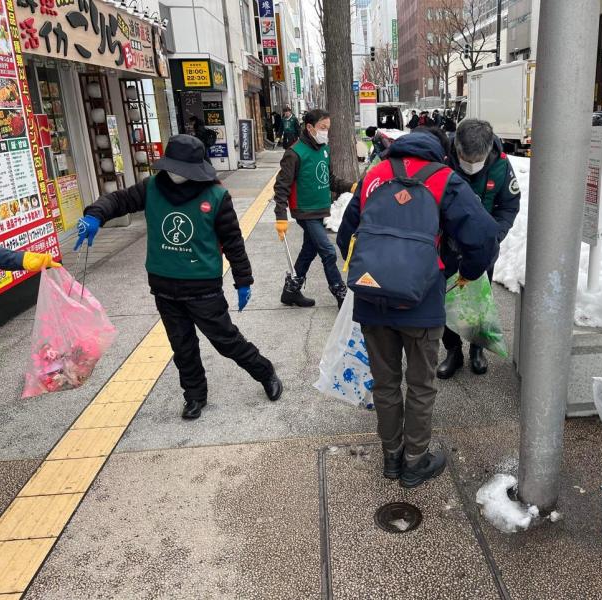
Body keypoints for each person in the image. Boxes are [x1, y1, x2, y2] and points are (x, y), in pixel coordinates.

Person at [74, 134, 282, 420]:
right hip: (164, 287)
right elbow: (118, 200)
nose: (174, 174)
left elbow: (233, 240)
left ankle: (265, 372)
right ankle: (195, 396)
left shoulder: (216, 195)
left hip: (203, 289)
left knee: (226, 341)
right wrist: (95, 215)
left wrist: (243, 280)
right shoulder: (151, 188)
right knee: (182, 347)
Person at [336, 127, 499, 488]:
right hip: (421, 303)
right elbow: (485, 237)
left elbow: (345, 235)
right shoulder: (445, 180)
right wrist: (464, 273)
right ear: (442, 151)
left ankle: (391, 458)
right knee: (421, 385)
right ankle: (415, 461)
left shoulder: (375, 174)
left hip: (372, 300)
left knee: (386, 383)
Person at [437, 119, 520, 379]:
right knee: (446, 298)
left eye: (477, 159)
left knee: (479, 299)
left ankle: (477, 348)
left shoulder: (501, 165)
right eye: (465, 158)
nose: (471, 165)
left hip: (483, 249)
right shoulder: (442, 160)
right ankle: (453, 351)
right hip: (447, 248)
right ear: (456, 148)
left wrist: (494, 235)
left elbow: (508, 205)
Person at [274, 109, 356, 308]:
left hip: (320, 209)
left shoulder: (324, 149)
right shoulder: (294, 153)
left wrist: (350, 186)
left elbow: (328, 179)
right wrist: (281, 216)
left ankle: (291, 291)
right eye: (322, 128)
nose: (325, 132)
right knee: (328, 251)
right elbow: (281, 187)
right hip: (305, 211)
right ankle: (341, 294)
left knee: (309, 250)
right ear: (310, 127)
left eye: (327, 128)